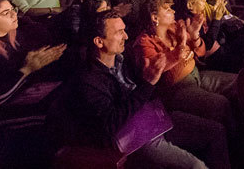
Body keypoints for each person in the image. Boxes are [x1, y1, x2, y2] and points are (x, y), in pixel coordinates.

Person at [52, 10, 211, 169]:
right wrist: (148, 83)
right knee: (196, 166)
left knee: (214, 131)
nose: (126, 37)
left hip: (151, 119)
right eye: (120, 32)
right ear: (99, 42)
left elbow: (146, 90)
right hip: (130, 137)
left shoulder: (122, 59)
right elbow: (110, 124)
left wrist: (158, 72)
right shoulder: (88, 80)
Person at [132, 0, 235, 164]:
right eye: (167, 9)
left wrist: (194, 36)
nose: (173, 11)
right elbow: (159, 71)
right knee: (220, 104)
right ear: (154, 17)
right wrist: (182, 43)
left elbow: (200, 51)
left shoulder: (174, 27)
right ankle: (235, 153)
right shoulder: (144, 43)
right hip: (177, 90)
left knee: (237, 83)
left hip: (196, 74)